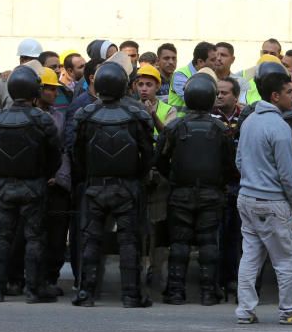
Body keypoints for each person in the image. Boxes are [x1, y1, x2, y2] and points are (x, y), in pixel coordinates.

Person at [234, 69, 292, 325]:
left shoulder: (249, 121)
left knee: (250, 257)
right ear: (274, 96)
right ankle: (290, 310)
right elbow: (287, 174)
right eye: (289, 92)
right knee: (286, 260)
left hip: (247, 197)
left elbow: (239, 160)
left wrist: (253, 177)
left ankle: (245, 311)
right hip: (273, 202)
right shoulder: (279, 127)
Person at [71, 62, 155, 308]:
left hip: (95, 186)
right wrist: (137, 178)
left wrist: (88, 176)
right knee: (129, 241)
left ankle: (86, 293)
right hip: (126, 186)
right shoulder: (137, 115)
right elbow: (148, 153)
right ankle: (131, 294)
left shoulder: (85, 115)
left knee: (91, 240)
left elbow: (76, 153)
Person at [0, 65, 61, 303]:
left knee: (2, 236)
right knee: (34, 237)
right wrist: (43, 174)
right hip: (34, 185)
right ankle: (32, 288)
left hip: (5, 185)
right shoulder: (42, 119)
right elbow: (54, 155)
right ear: (35, 90)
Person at [155, 75, 233, 306]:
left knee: (179, 243)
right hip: (211, 193)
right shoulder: (221, 129)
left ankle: (176, 291)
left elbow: (159, 158)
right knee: (209, 242)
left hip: (180, 192)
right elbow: (230, 163)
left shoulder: (175, 127)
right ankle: (209, 292)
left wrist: (172, 178)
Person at [37, 67, 72, 297]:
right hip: (34, 184)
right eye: (47, 88)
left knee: (57, 236)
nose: (52, 93)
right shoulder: (26, 116)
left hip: (57, 182)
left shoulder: (60, 116)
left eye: (54, 89)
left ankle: (51, 277)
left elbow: (64, 150)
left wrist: (58, 176)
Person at [213, 76, 244, 301]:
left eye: (224, 93)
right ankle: (216, 281)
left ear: (235, 96)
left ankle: (233, 280)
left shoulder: (245, 117)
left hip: (240, 185)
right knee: (217, 235)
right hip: (217, 184)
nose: (220, 96)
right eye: (217, 92)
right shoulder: (209, 116)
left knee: (236, 236)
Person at [168, 41, 216, 113]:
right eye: (213, 60)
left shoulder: (211, 74)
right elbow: (197, 101)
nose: (216, 63)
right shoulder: (180, 75)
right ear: (200, 62)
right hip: (179, 122)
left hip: (199, 120)